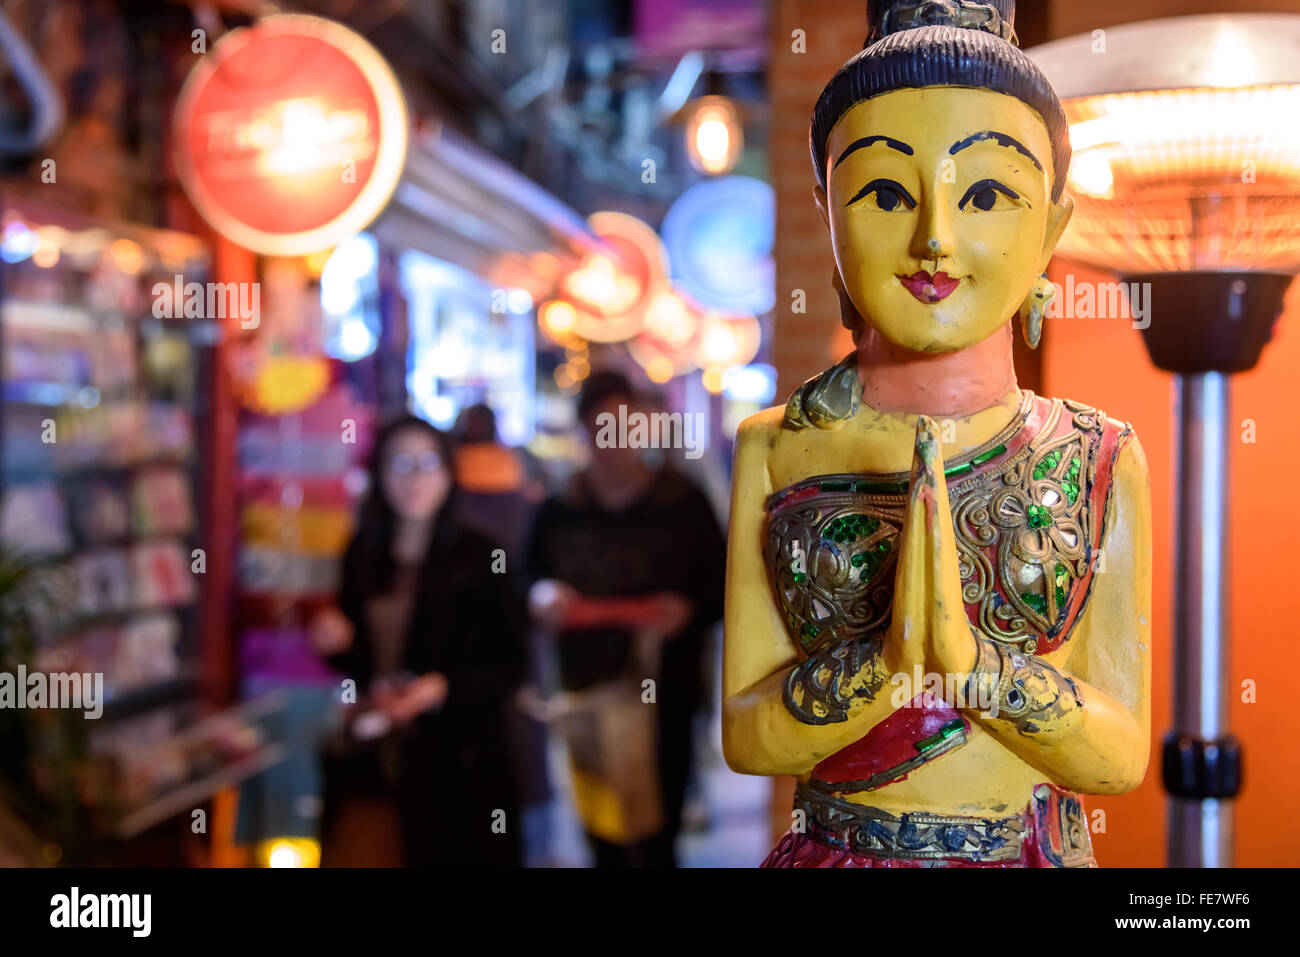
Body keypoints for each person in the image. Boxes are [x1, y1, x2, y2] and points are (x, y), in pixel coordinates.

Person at [722, 0, 1151, 867]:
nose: (934, 239)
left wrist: (976, 671)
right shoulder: (778, 447)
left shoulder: (1097, 454)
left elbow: (1122, 754)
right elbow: (745, 734)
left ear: (1051, 227)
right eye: (883, 194)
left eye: (989, 194)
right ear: (827, 217)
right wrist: (884, 673)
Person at [523, 371, 726, 868]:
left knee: (660, 826)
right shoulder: (559, 509)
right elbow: (526, 578)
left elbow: (724, 587)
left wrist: (689, 611)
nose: (614, 442)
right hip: (585, 686)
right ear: (583, 433)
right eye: (601, 428)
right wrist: (542, 596)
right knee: (600, 825)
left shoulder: (682, 503)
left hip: (666, 691)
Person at [312, 415, 525, 867]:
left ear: (449, 471)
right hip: (377, 760)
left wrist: (438, 688)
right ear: (379, 472)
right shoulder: (364, 550)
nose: (414, 479)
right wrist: (338, 641)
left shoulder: (486, 554)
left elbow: (512, 661)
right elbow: (356, 663)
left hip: (460, 763)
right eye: (399, 464)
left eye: (427, 463)